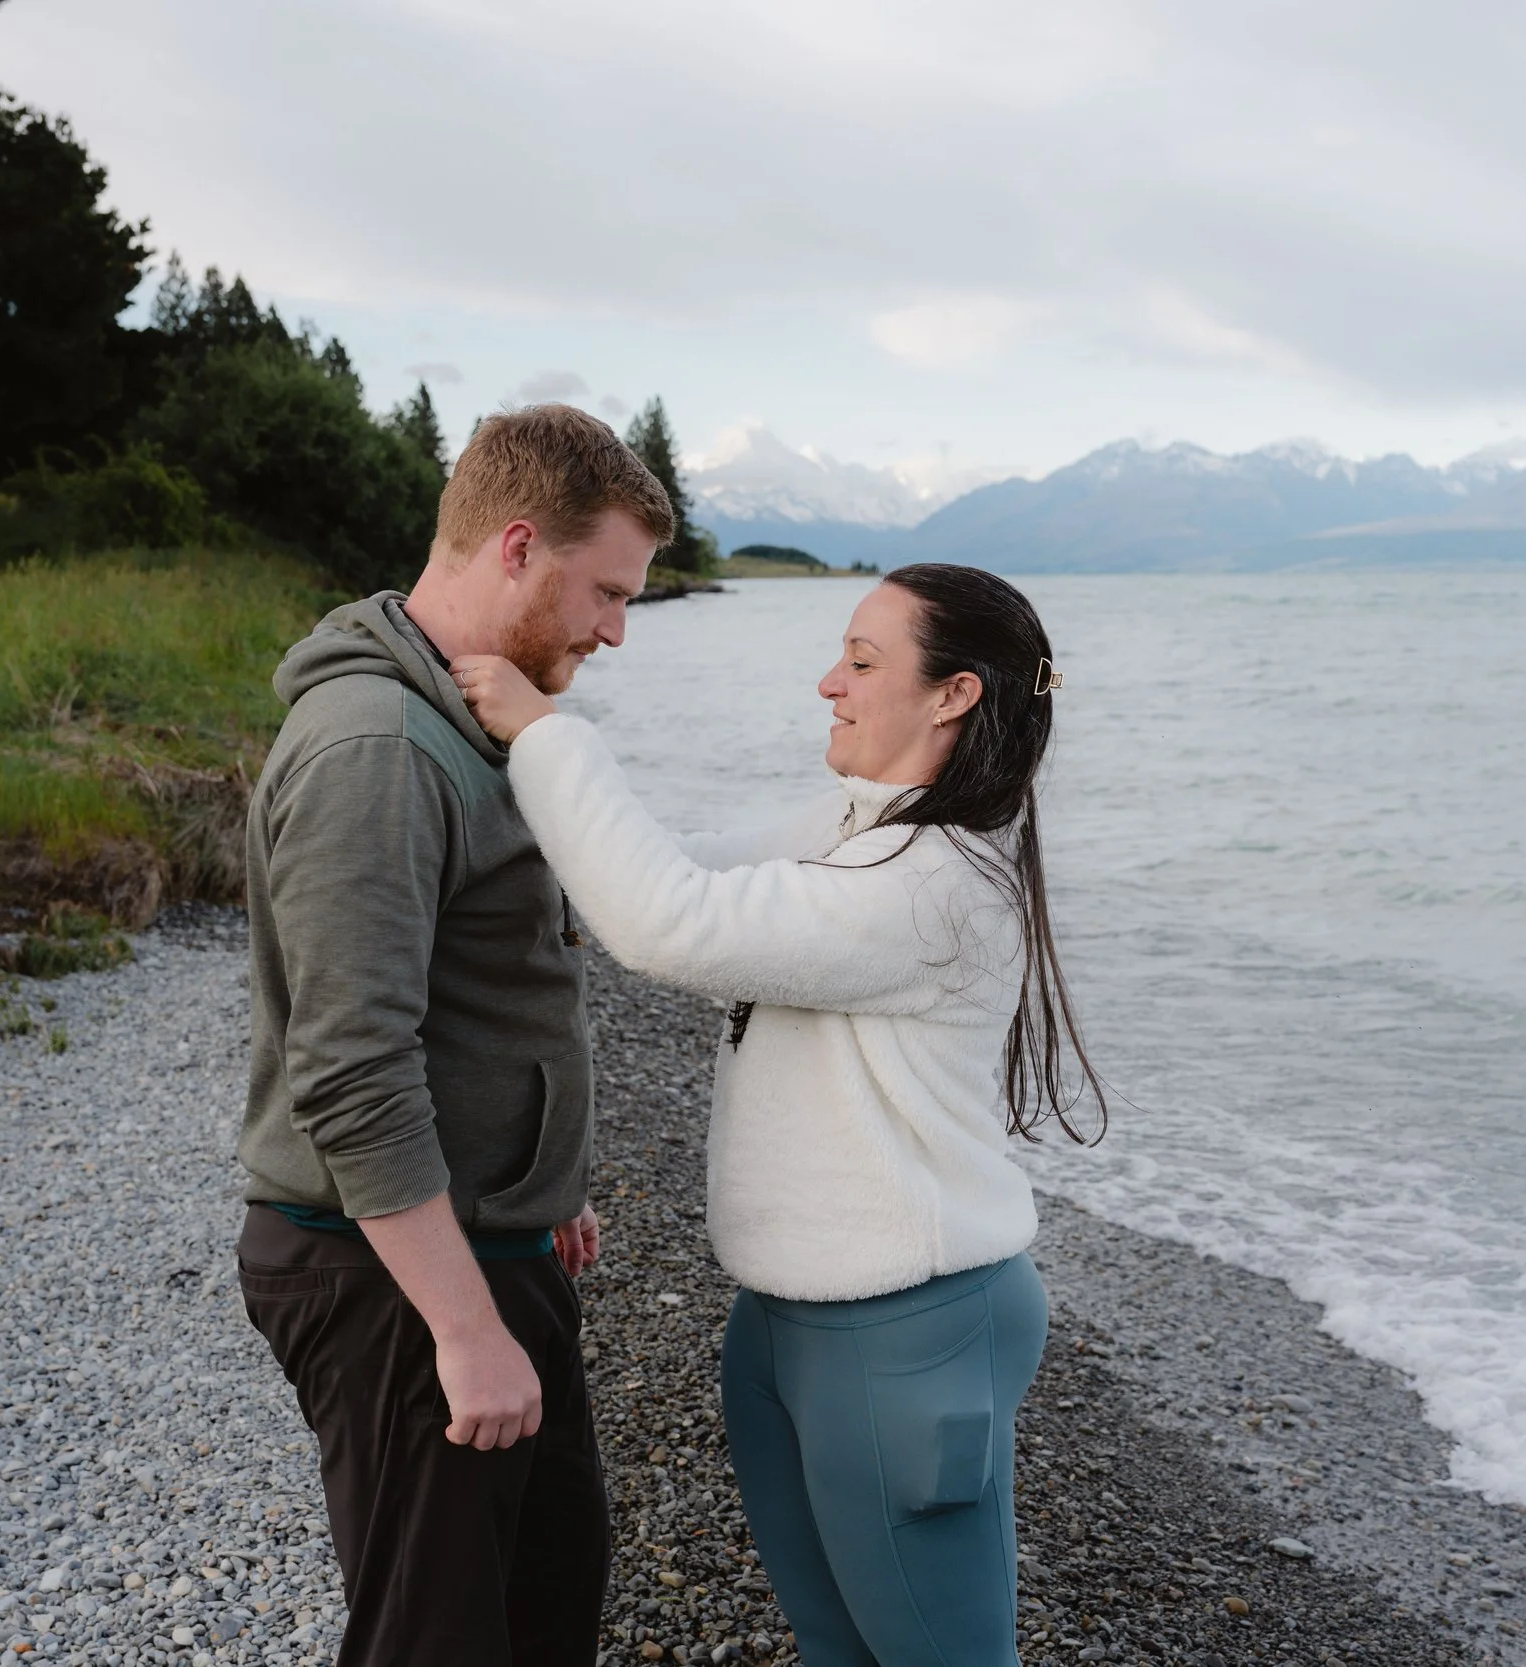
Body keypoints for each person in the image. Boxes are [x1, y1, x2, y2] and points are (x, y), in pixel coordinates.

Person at [453, 563, 1105, 1667]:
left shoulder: (937, 884)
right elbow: (679, 868)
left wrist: (548, 735)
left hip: (905, 1326)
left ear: (954, 695)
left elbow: (672, 922)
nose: (826, 683)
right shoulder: (853, 824)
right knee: (833, 1642)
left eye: (860, 662)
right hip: (787, 1317)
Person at [234, 403, 675, 1667]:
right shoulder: (375, 746)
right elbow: (351, 1066)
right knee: (437, 1640)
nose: (615, 629)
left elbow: (483, 983)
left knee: (544, 1593)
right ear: (519, 545)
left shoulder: (464, 716)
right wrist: (467, 1325)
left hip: (486, 1238)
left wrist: (542, 1185)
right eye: (605, 591)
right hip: (387, 1274)